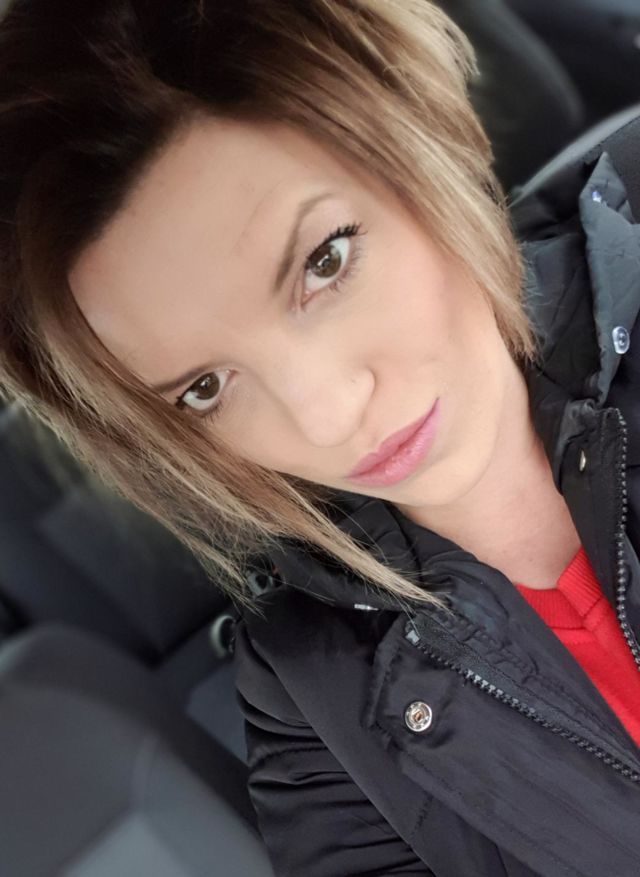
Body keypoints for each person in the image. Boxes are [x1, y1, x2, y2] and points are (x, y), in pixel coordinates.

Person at [1, 1, 639, 875]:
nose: (328, 417)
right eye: (204, 388)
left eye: (325, 261)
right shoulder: (310, 688)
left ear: (418, 131)